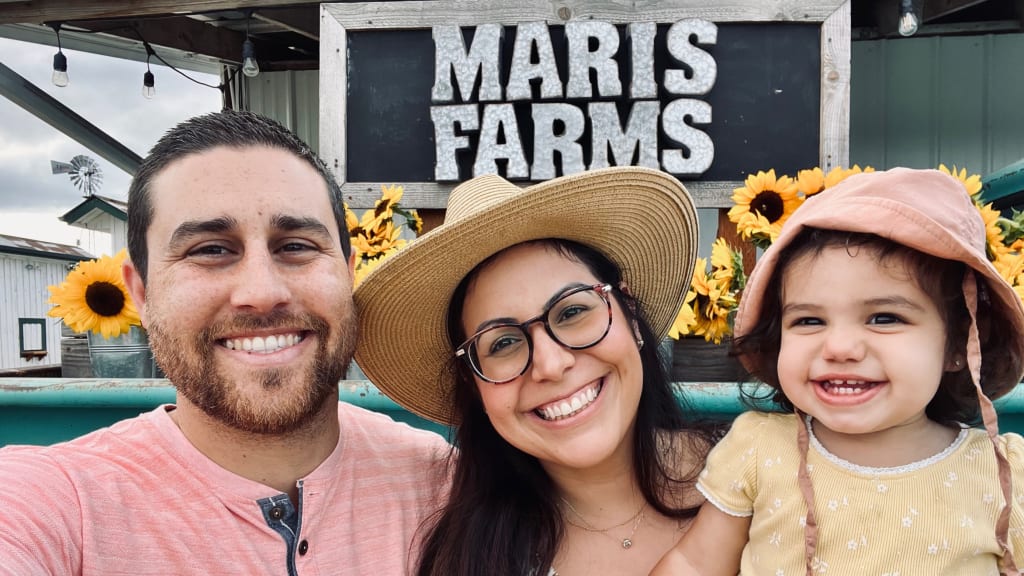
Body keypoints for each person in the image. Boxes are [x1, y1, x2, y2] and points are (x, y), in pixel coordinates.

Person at [0, 110, 449, 574]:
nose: (262, 292)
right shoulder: (59, 502)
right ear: (141, 293)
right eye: (210, 250)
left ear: (348, 271)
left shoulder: (446, 485)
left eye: (295, 245)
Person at [652, 167, 1024, 575]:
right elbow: (694, 564)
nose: (840, 348)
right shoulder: (760, 451)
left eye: (884, 318)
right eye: (809, 321)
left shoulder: (1001, 472)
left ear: (959, 344)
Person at [353, 166, 720, 576]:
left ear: (629, 313)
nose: (551, 364)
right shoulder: (463, 563)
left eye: (574, 311)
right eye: (503, 343)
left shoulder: (767, 471)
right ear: (473, 386)